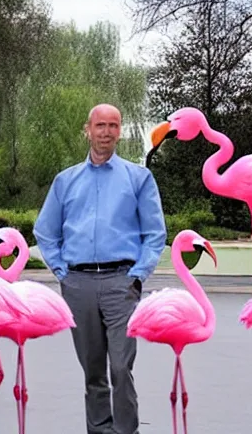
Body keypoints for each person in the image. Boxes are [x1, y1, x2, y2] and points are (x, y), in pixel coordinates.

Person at [33, 103, 166, 434]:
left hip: (122, 282)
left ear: (120, 130)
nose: (106, 132)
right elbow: (45, 232)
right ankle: (99, 430)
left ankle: (126, 431)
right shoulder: (65, 181)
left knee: (121, 366)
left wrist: (138, 275)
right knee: (93, 371)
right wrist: (62, 273)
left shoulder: (139, 179)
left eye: (113, 125)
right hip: (78, 284)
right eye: (100, 125)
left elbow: (155, 234)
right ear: (88, 129)